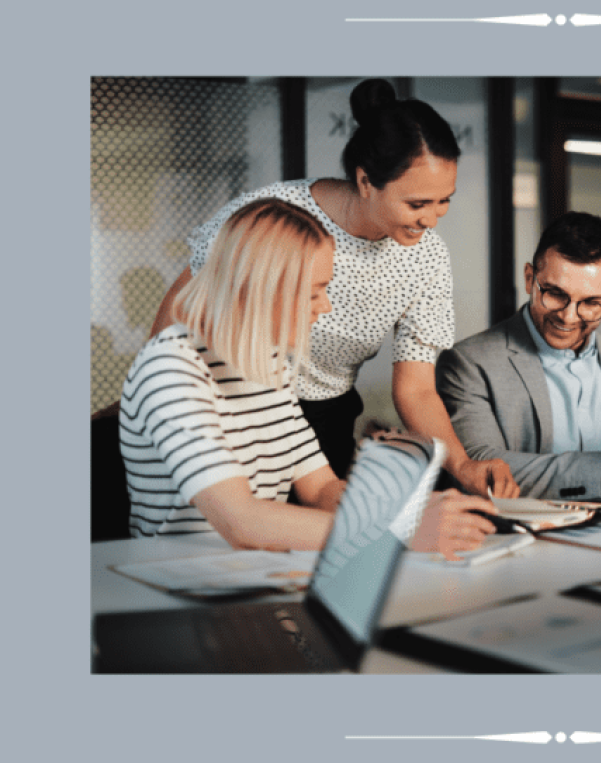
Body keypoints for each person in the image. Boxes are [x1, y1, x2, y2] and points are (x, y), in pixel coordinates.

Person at [150, 79, 518, 498]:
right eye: (416, 204)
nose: (432, 219)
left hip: (323, 422)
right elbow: (175, 322)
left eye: (444, 200)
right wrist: (166, 405)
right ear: (365, 182)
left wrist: (463, 466)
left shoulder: (426, 257)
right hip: (234, 407)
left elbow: (415, 388)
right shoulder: (276, 218)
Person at [122, 198, 498, 558]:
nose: (326, 306)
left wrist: (404, 509)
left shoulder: (270, 364)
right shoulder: (172, 366)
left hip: (252, 571)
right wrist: (393, 529)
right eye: (314, 292)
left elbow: (320, 488)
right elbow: (241, 520)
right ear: (262, 290)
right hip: (179, 585)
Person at [436, 211, 601, 501]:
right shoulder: (468, 363)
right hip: (536, 536)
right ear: (529, 279)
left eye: (591, 303)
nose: (568, 316)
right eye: (555, 294)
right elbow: (480, 468)